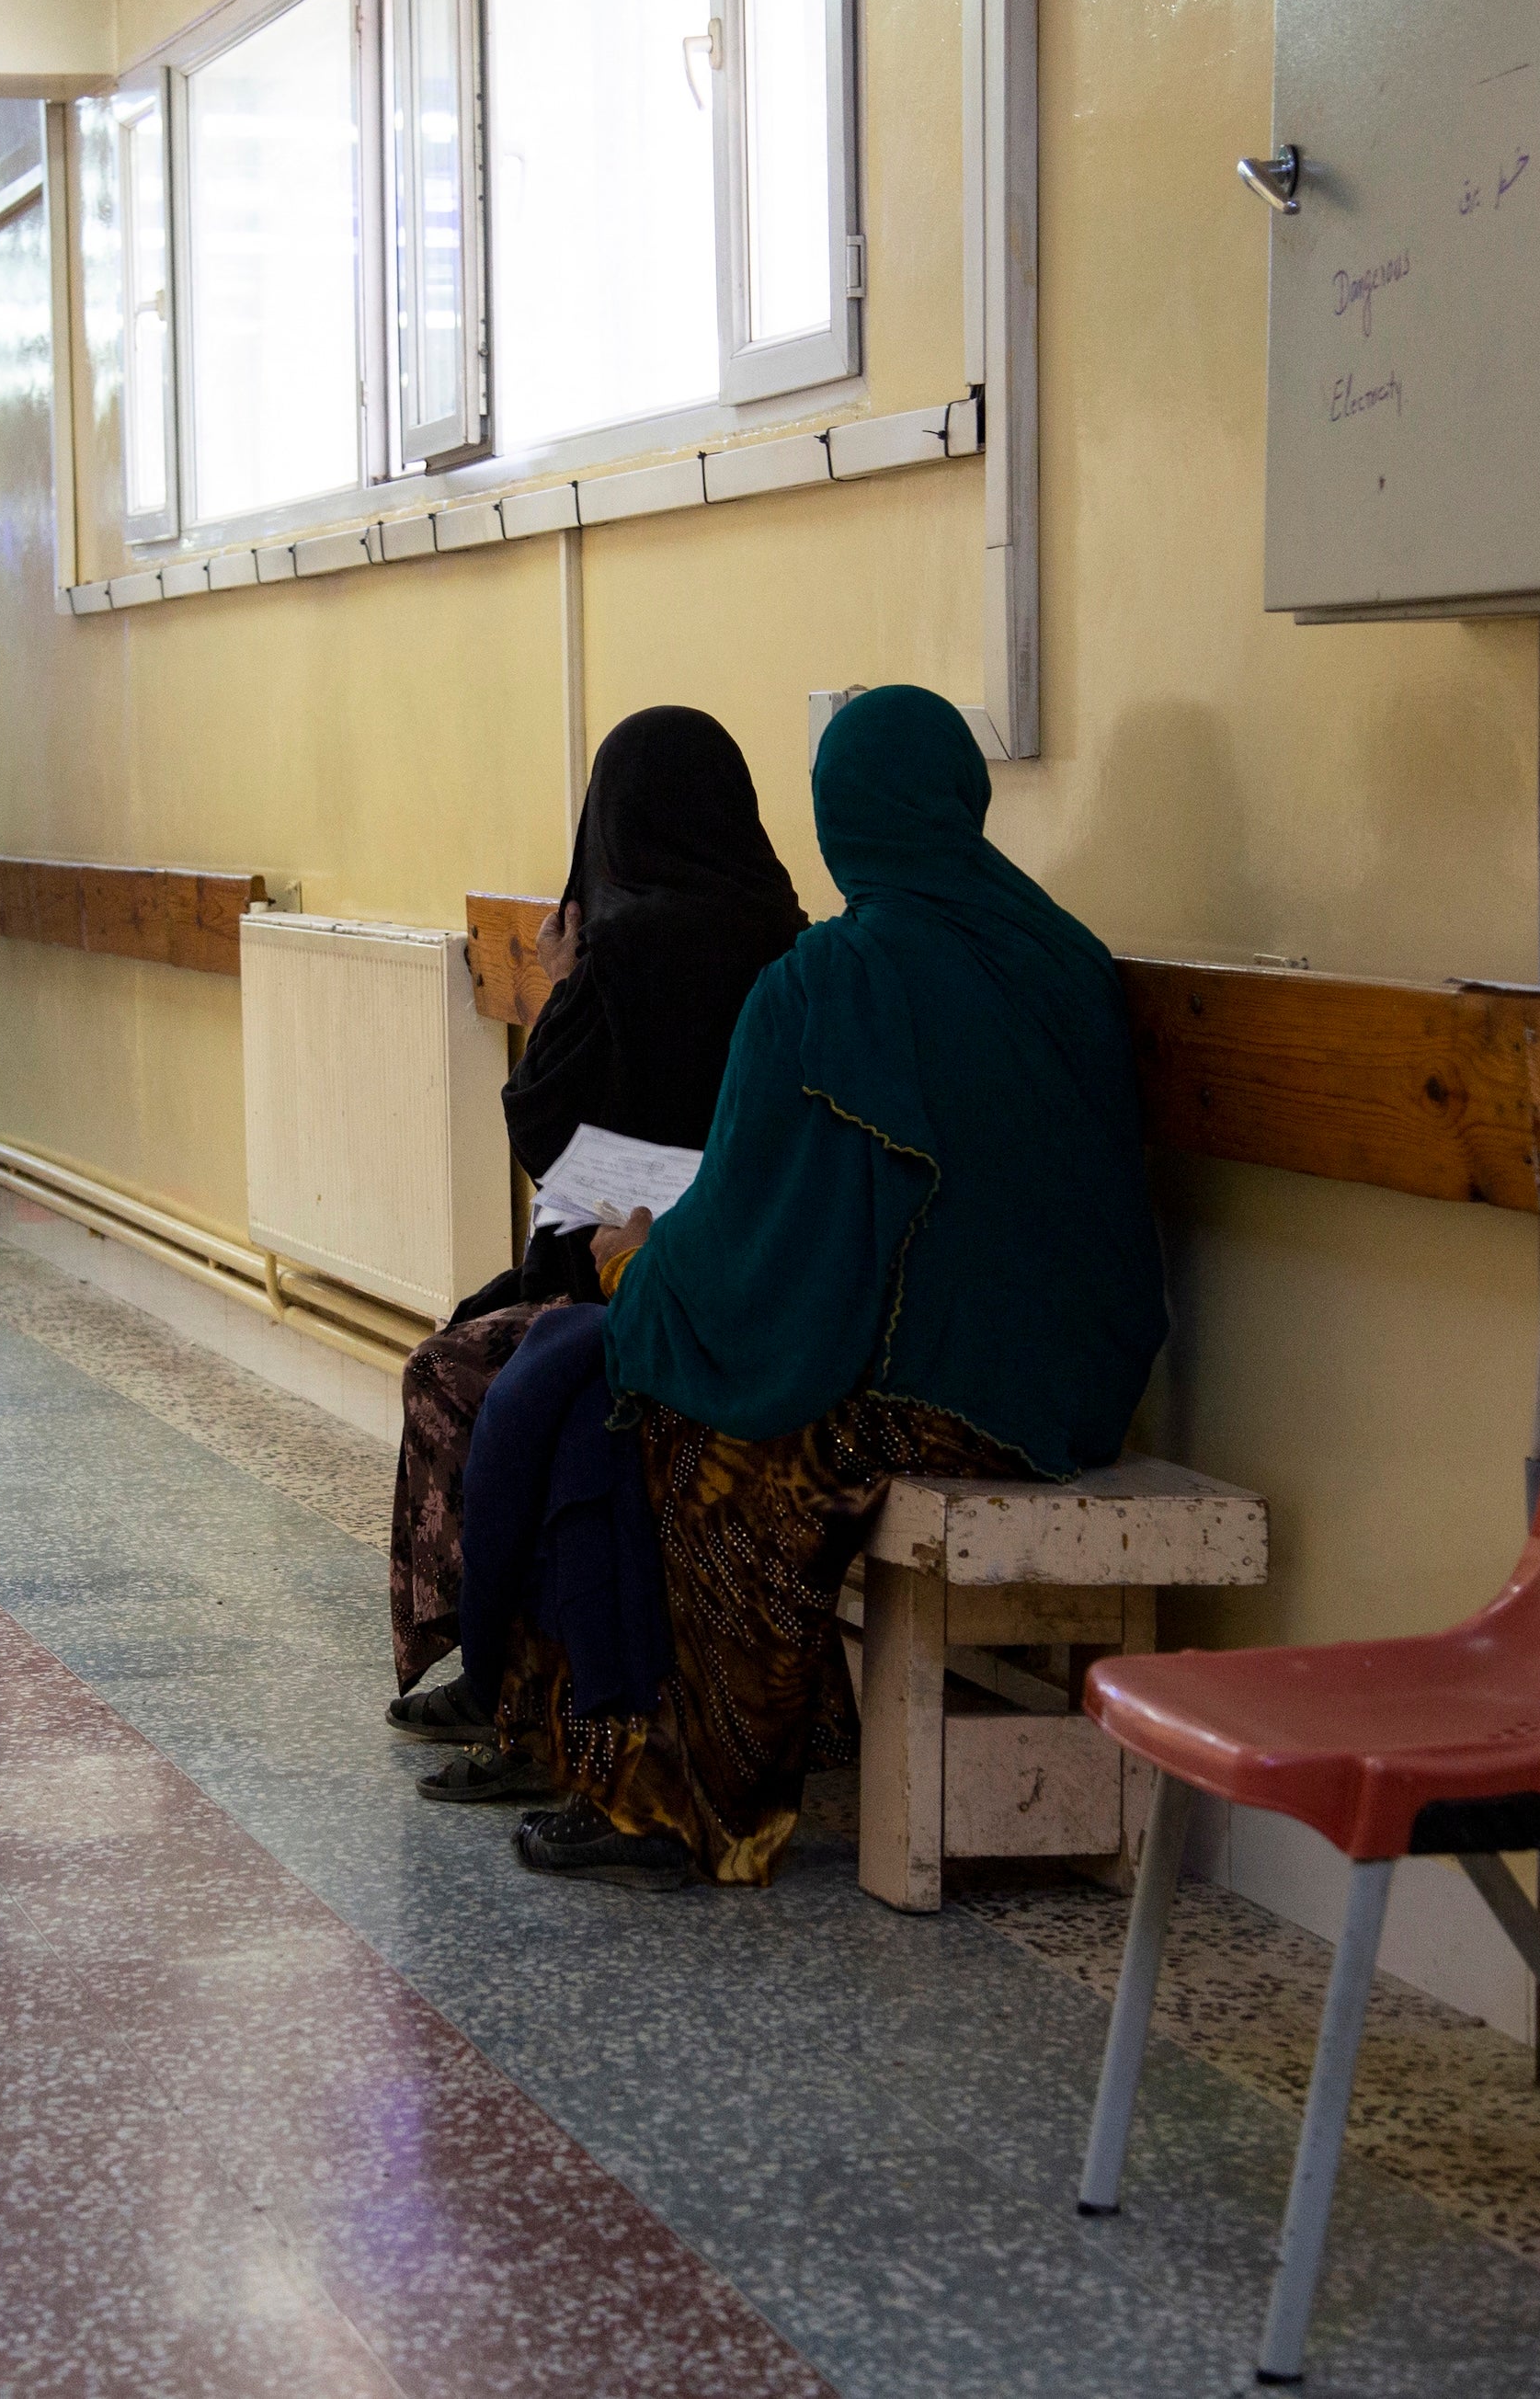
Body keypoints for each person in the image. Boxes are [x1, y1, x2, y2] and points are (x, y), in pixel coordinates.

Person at [460, 682, 1170, 1890]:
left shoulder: (829, 982)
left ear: (840, 815)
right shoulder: (1064, 957)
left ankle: (693, 1801)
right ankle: (720, 1747)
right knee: (665, 1380)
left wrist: (636, 1265)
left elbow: (748, 1243)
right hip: (1084, 1386)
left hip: (947, 1395)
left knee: (681, 1429)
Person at [382, 708, 806, 1762]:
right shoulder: (791, 940)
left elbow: (551, 1133)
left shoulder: (622, 950)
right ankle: (515, 1677)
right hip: (760, 1278)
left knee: (456, 1367)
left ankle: (505, 1674)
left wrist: (565, 988)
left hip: (645, 1282)